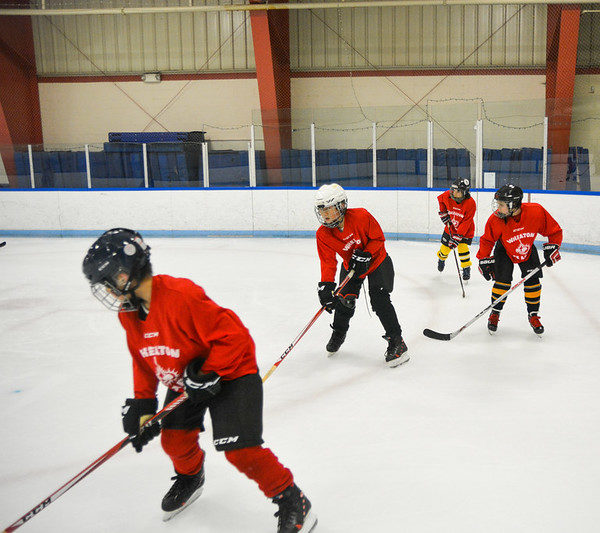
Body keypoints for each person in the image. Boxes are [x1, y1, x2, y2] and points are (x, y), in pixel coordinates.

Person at [82, 228, 317, 533]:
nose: (109, 292)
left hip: (232, 372)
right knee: (174, 441)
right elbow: (143, 359)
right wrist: (143, 404)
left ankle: (292, 500)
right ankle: (191, 477)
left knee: (239, 450)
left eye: (110, 282)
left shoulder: (181, 295)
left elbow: (236, 338)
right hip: (187, 381)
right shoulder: (129, 314)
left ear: (127, 272)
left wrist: (208, 372)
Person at [314, 183, 409, 367]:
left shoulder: (361, 216)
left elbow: (378, 238)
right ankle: (338, 333)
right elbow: (327, 262)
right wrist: (326, 285)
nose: (324, 214)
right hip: (351, 267)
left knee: (379, 299)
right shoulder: (323, 234)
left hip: (377, 261)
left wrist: (367, 254)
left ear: (341, 205)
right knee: (343, 300)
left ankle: (397, 342)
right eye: (321, 210)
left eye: (328, 209)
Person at [475, 185, 563, 336]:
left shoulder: (536, 211)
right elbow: (487, 240)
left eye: (501, 205)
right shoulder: (496, 219)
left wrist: (553, 246)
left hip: (526, 248)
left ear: (514, 204)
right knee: (502, 282)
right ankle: (495, 312)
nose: (498, 208)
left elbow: (554, 230)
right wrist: (483, 259)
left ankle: (533, 315)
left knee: (533, 281)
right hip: (504, 250)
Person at [436, 178, 476, 280]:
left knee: (462, 247)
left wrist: (458, 236)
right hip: (451, 227)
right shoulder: (448, 195)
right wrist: (443, 213)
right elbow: (440, 199)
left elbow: (466, 222)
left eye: (457, 190)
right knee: (445, 249)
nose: (453, 192)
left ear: (464, 192)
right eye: (453, 189)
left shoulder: (471, 203)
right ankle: (441, 259)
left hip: (466, 229)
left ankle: (466, 268)